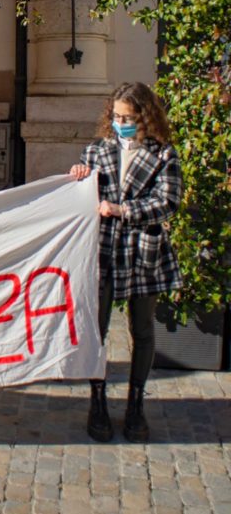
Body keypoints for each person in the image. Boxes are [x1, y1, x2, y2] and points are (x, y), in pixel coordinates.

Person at [69, 81, 182, 443]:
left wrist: (123, 209)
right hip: (104, 251)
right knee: (97, 329)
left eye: (129, 118)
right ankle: (98, 401)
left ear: (145, 117)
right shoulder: (96, 151)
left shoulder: (163, 155)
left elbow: (168, 201)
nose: (121, 124)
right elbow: (82, 196)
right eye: (117, 117)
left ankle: (136, 404)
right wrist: (78, 177)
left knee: (143, 329)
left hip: (143, 252)